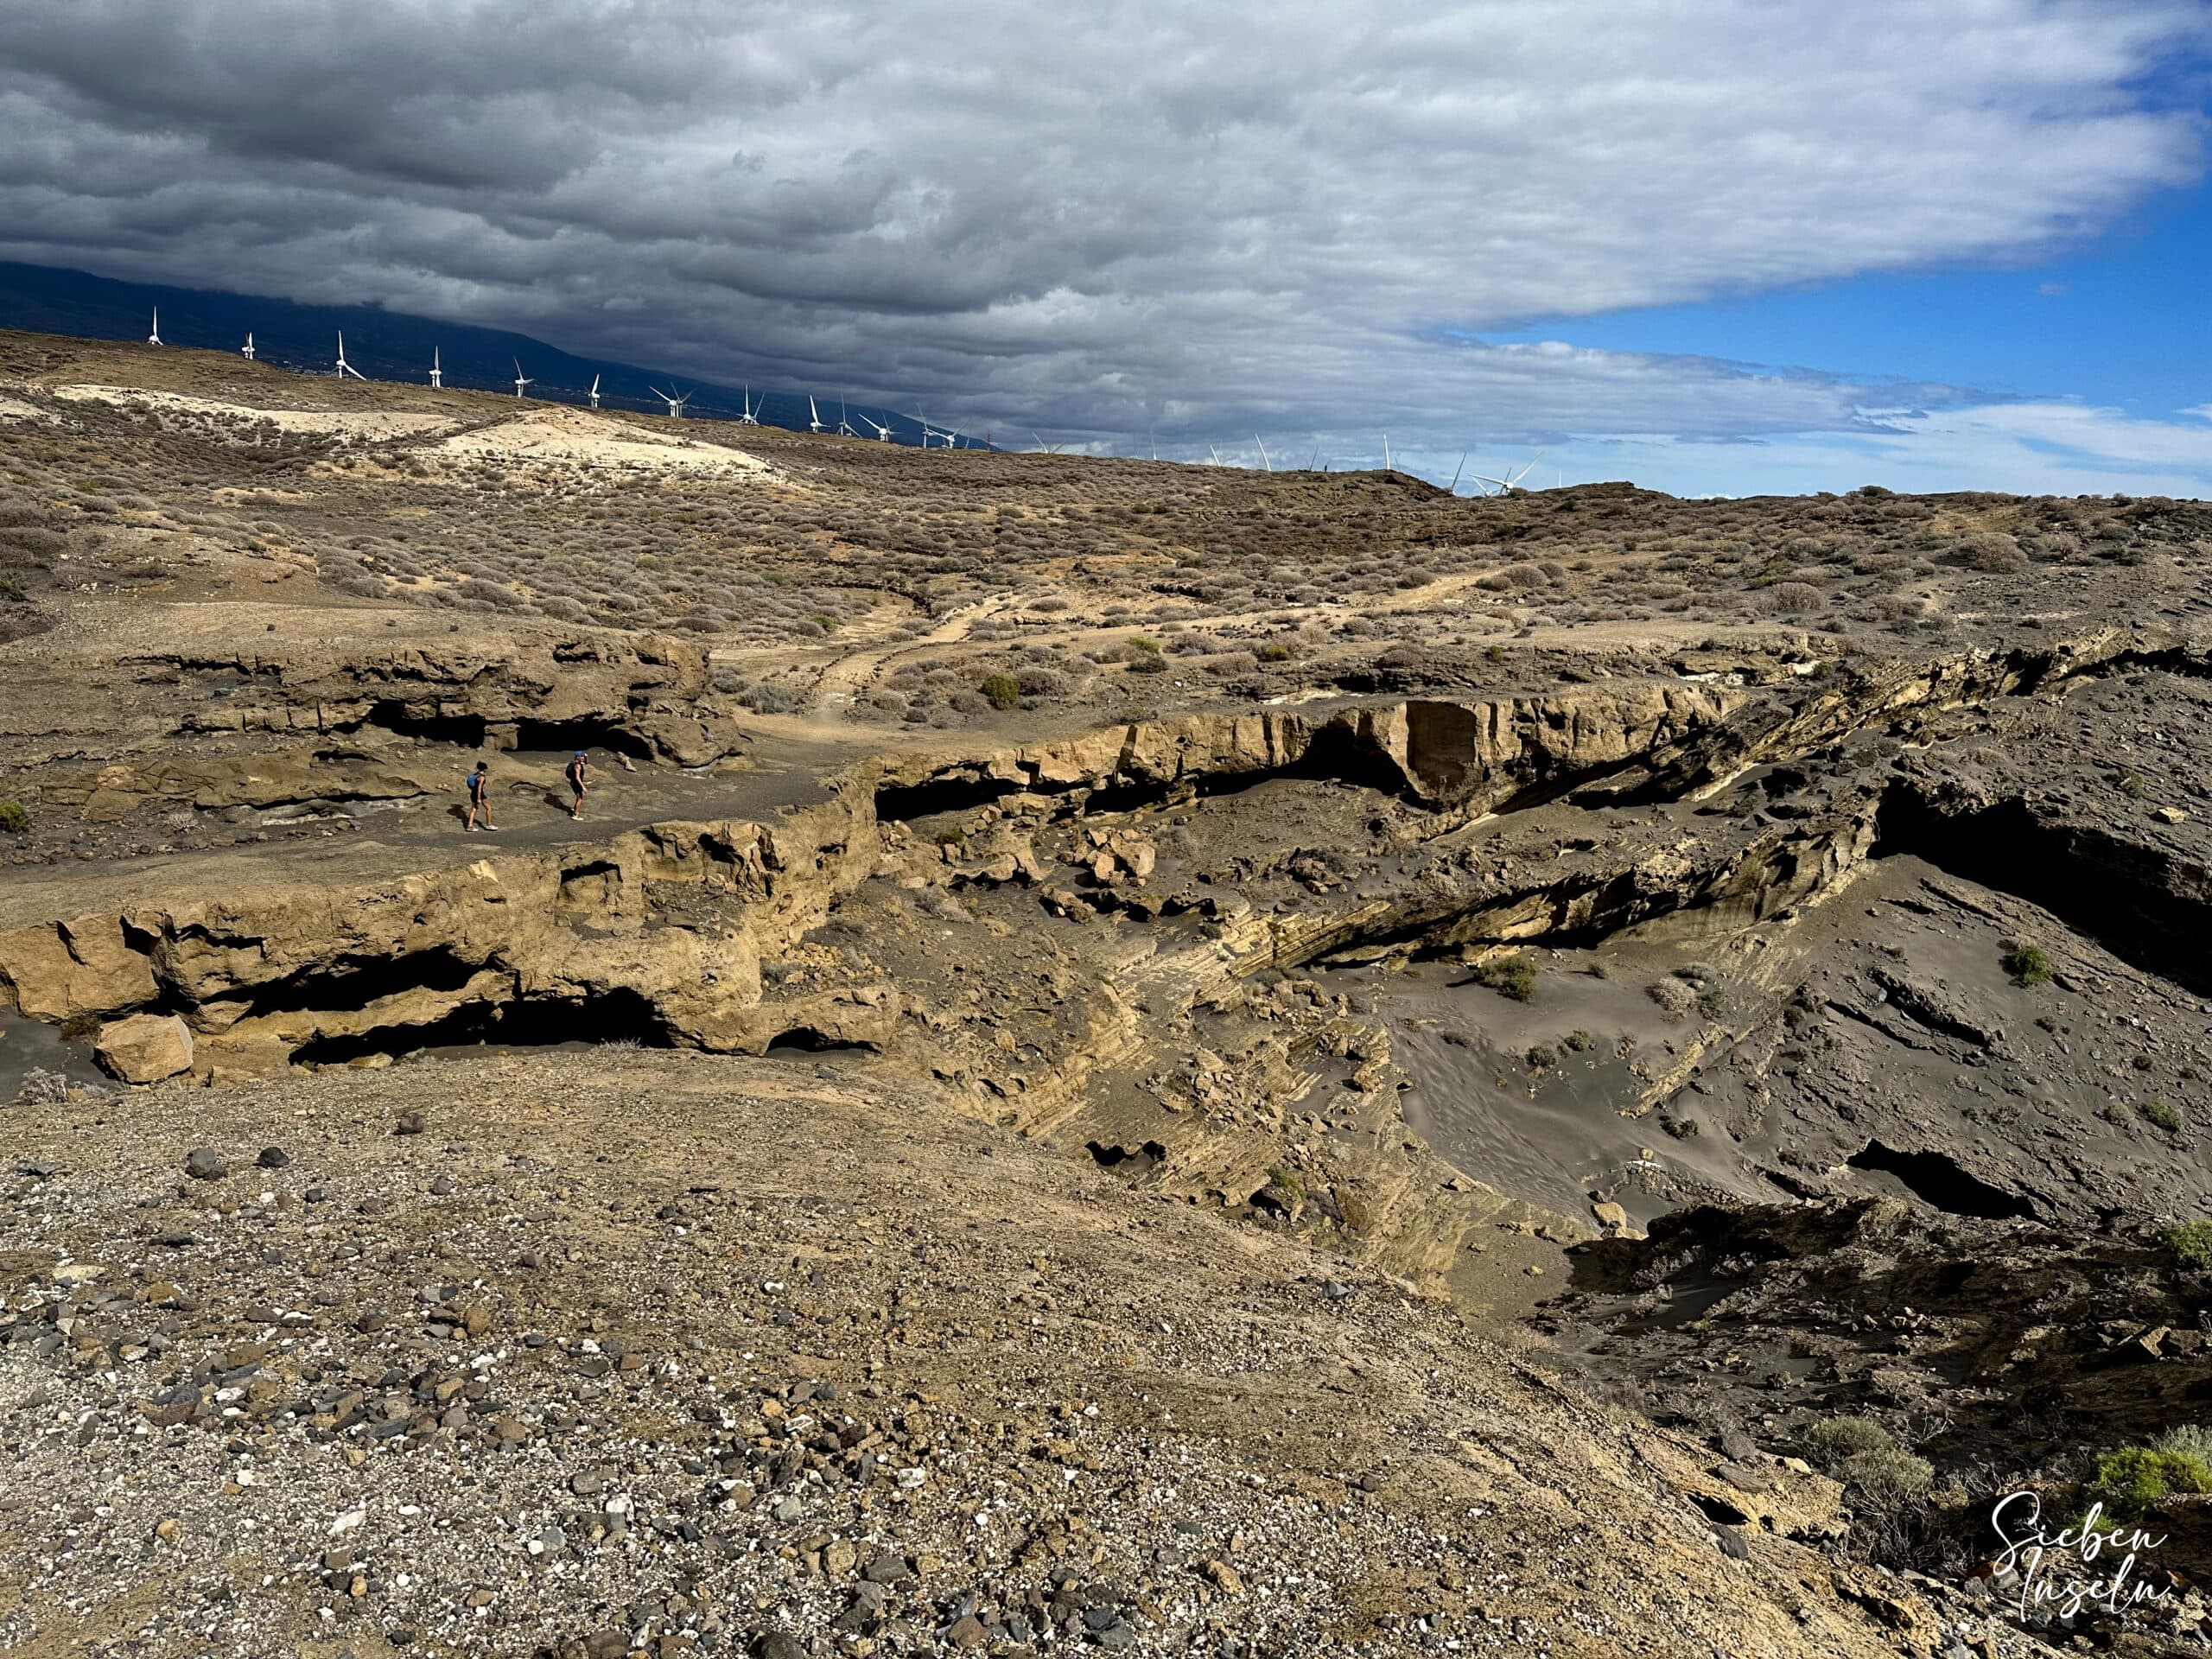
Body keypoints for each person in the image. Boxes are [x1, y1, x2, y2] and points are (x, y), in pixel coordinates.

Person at [465, 760, 495, 831]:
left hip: (472, 794)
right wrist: (479, 798)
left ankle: (470, 826)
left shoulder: (473, 775)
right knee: (489, 808)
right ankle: (489, 825)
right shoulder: (482, 777)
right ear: (485, 769)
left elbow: (470, 785)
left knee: (474, 809)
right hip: (480, 795)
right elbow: (479, 788)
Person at [564, 749, 589, 819]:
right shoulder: (578, 765)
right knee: (581, 797)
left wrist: (586, 757)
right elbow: (577, 777)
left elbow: (586, 762)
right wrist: (583, 787)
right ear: (577, 757)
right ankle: (575, 815)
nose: (583, 757)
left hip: (573, 782)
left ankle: (575, 809)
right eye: (581, 756)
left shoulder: (574, 762)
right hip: (576, 783)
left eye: (583, 756)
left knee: (578, 796)